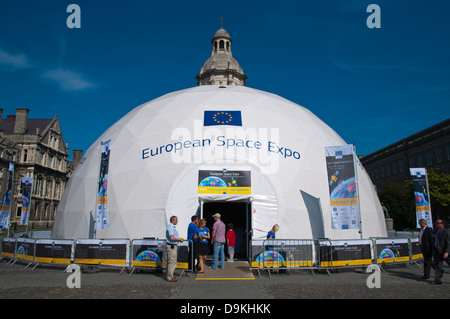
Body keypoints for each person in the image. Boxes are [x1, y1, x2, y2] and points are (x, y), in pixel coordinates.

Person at [431, 219, 450, 285]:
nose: (436, 224)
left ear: (442, 224)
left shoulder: (446, 231)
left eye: (438, 223)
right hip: (437, 250)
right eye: (436, 223)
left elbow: (448, 243)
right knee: (437, 265)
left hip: (444, 251)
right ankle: (437, 280)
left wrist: (447, 252)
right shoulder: (436, 231)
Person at [165, 216, 184, 282]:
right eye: (176, 220)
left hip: (172, 245)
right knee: (172, 262)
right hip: (171, 246)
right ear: (173, 220)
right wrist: (179, 239)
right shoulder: (171, 227)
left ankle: (170, 275)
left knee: (171, 261)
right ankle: (170, 276)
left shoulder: (172, 226)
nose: (177, 221)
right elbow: (172, 238)